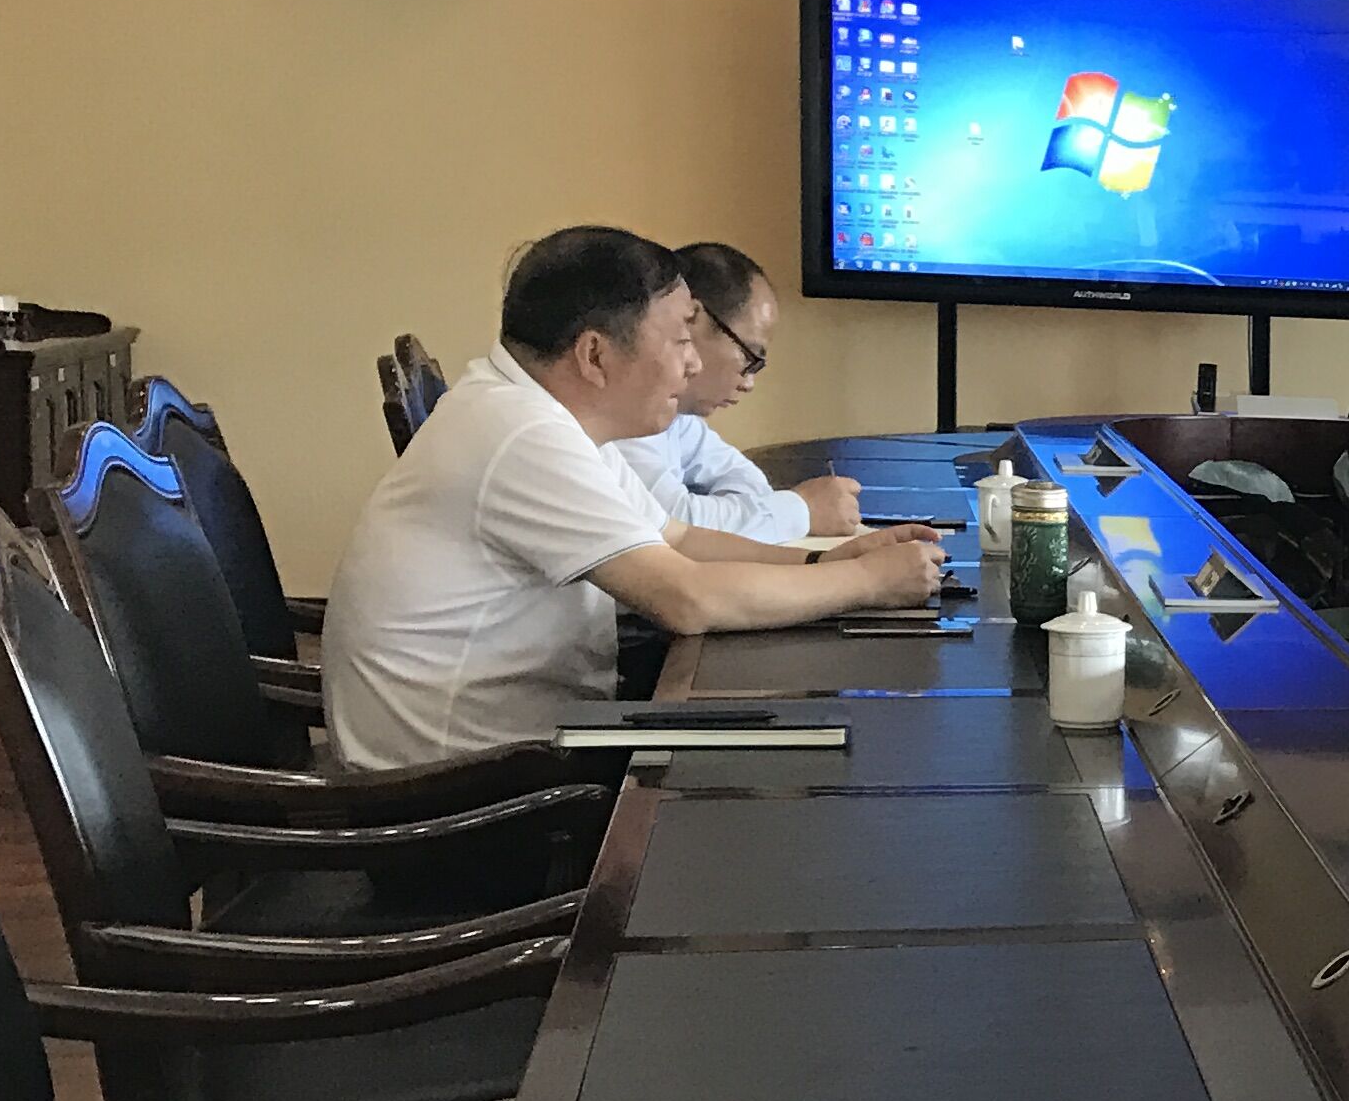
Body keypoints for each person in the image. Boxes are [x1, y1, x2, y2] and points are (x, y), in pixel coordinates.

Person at [322, 224, 944, 769]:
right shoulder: (521, 434)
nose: (692, 365)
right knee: (795, 768)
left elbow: (677, 538)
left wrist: (825, 559)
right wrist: (867, 582)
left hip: (513, 748)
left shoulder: (538, 412)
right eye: (679, 340)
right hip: (460, 797)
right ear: (595, 354)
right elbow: (685, 598)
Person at [615, 242, 866, 541]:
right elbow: (672, 525)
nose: (748, 383)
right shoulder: (619, 407)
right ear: (690, 320)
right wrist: (802, 511)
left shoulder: (679, 418)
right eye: (750, 357)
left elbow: (747, 482)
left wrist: (758, 513)